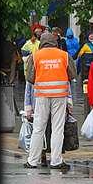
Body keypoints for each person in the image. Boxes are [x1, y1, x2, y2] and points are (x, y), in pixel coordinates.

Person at [23, 32, 76, 170]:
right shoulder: (64, 55)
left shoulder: (35, 56)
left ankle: (32, 161)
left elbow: (29, 77)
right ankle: (56, 160)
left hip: (41, 96)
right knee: (57, 129)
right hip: (60, 95)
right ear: (55, 42)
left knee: (38, 128)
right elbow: (72, 74)